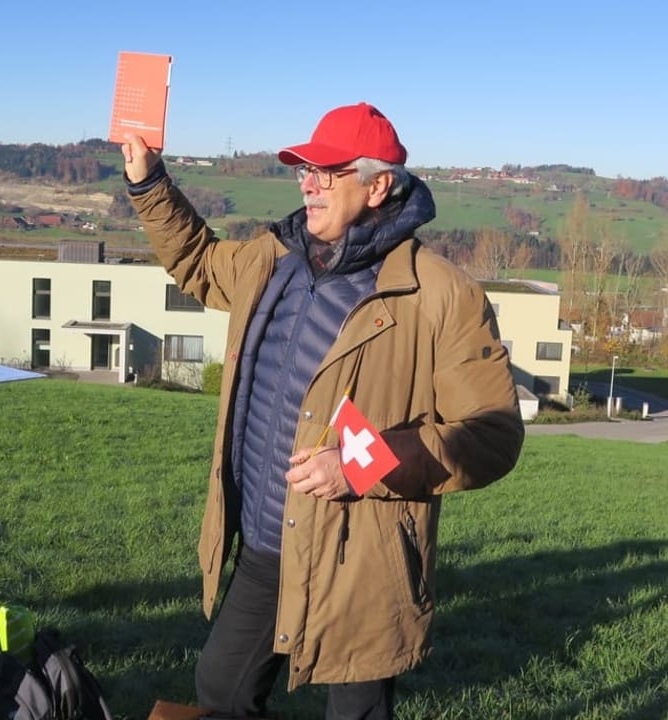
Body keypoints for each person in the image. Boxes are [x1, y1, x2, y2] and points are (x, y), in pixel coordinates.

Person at [121, 102, 524, 720]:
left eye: (328, 171)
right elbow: (201, 263)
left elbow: (492, 434)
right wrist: (150, 182)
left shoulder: (441, 294)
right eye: (304, 169)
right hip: (263, 542)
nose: (308, 182)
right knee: (222, 689)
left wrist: (362, 463)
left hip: (361, 564)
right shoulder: (272, 259)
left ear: (379, 185)